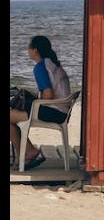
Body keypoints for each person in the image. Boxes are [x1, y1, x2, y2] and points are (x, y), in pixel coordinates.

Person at [10, 36, 71, 170]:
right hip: (62, 110)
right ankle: (27, 152)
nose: (27, 50)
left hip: (54, 111)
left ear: (35, 50)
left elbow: (48, 95)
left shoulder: (40, 67)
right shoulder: (52, 64)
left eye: (29, 47)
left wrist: (33, 99)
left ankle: (29, 152)